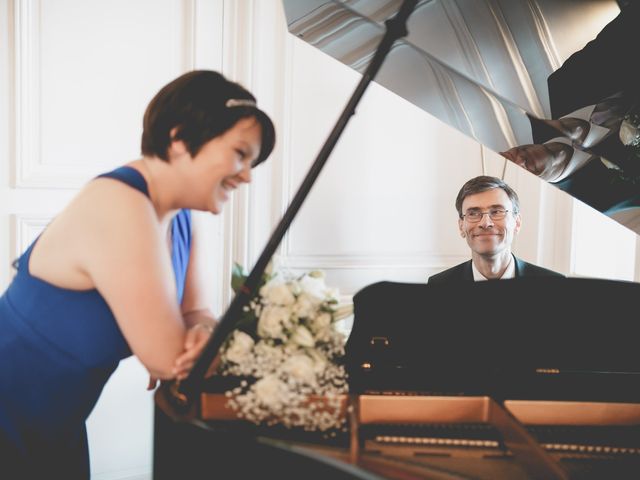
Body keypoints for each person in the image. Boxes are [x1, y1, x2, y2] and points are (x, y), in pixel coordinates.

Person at [0, 70, 275, 478]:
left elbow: (196, 310)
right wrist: (197, 343)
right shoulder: (119, 204)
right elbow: (168, 359)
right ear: (179, 138)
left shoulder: (184, 216)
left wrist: (201, 330)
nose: (248, 175)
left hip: (57, 425)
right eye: (240, 153)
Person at [428, 176, 562, 283]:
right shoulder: (438, 283)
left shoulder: (554, 281)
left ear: (517, 223)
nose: (486, 223)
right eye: (473, 213)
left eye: (497, 211)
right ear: (461, 226)